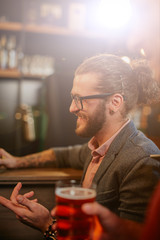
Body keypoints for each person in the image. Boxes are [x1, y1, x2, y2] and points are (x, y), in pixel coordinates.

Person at [0, 54, 160, 239]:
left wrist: (48, 225)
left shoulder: (142, 161)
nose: (72, 108)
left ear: (115, 103)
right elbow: (64, 155)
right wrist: (16, 162)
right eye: (73, 98)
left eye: (80, 99)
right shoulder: (98, 147)